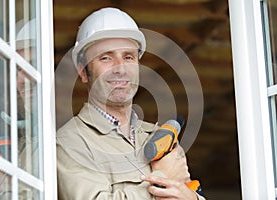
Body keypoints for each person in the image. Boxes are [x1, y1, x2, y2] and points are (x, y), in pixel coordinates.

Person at [56, 7, 205, 200]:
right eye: (106, 58)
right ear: (83, 72)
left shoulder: (161, 138)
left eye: (128, 57)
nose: (120, 68)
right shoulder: (71, 142)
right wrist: (162, 178)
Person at [0, 18, 39, 200]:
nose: (24, 78)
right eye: (18, 68)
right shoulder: (8, 134)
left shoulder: (67, 134)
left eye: (33, 64)